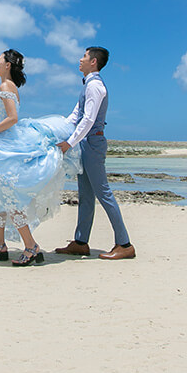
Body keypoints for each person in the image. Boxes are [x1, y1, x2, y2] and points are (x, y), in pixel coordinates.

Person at [0, 49, 80, 267]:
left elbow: (12, 118)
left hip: (6, 145)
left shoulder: (5, 86)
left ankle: (31, 246)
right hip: (3, 146)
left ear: (8, 65)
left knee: (10, 196)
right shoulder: (9, 86)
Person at [54, 46, 135, 260]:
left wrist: (69, 143)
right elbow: (75, 115)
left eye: (84, 56)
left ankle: (124, 244)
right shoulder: (88, 85)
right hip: (86, 143)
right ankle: (81, 242)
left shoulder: (96, 86)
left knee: (104, 193)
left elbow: (88, 119)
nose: (80, 59)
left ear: (93, 62)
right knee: (86, 195)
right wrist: (54, 130)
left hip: (93, 142)